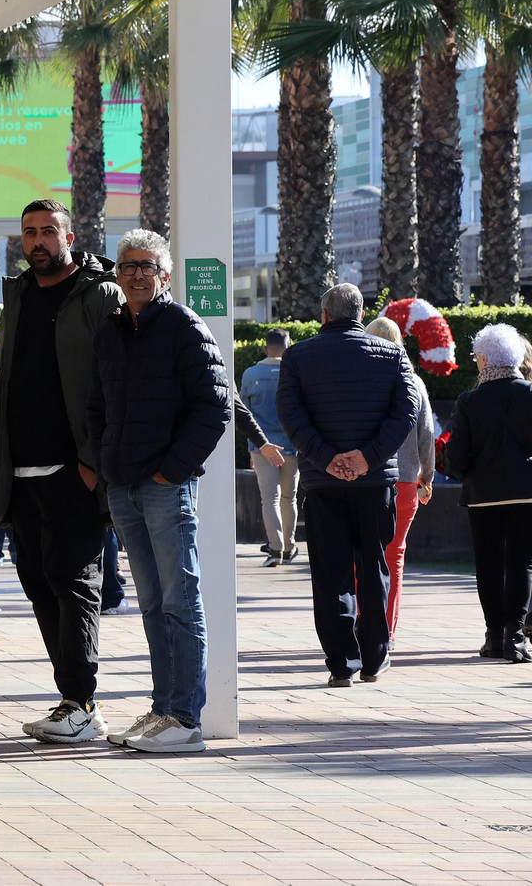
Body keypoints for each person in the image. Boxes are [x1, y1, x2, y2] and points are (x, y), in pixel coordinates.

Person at [0, 199, 122, 743]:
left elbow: (116, 383)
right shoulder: (19, 296)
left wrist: (93, 462)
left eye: (48, 231)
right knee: (37, 582)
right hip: (19, 472)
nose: (37, 242)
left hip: (75, 473)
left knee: (73, 582)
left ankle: (81, 700)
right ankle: (73, 702)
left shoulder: (99, 295)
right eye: (29, 233)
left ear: (69, 236)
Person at [87, 228, 229, 753]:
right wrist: (104, 465)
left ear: (164, 275)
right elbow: (96, 405)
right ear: (116, 274)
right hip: (123, 487)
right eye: (128, 266)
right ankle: (163, 707)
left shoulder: (183, 326)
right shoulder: (111, 330)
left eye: (147, 266)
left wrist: (172, 471)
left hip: (166, 486)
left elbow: (215, 406)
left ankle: (186, 717)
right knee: (150, 603)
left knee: (180, 601)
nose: (137, 274)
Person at [277, 283, 419, 687]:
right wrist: (367, 457)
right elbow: (406, 410)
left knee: (329, 572)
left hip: (323, 483)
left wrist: (326, 458)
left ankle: (342, 664)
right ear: (360, 314)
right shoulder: (393, 355)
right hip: (375, 482)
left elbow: (290, 413)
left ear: (324, 315)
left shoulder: (298, 356)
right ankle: (375, 658)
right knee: (374, 565)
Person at [444, 324, 532, 662]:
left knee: (489, 564)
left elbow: (457, 451)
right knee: (522, 563)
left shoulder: (469, 400)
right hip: (525, 492)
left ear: (483, 358)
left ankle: (494, 635)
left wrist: (464, 474)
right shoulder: (529, 392)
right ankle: (517, 635)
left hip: (482, 494)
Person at [365, 317, 435, 636]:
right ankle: (386, 631)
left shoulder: (363, 380)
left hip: (368, 478)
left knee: (362, 554)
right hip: (407, 481)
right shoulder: (414, 383)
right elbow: (426, 435)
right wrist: (427, 477)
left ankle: (360, 624)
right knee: (394, 557)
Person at [240, 329, 300, 566]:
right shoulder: (295, 372)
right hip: (292, 445)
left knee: (269, 498)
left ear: (266, 348)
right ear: (288, 347)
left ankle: (275, 548)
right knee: (289, 498)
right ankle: (290, 546)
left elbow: (244, 413)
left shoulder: (251, 374)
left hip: (262, 446)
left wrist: (251, 448)